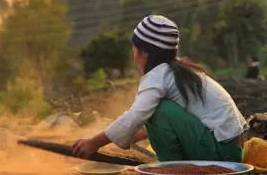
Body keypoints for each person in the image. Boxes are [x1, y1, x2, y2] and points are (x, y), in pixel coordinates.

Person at [72, 15, 248, 162]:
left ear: (144, 52)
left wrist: (93, 143)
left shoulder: (158, 76)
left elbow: (137, 115)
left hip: (221, 154)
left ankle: (171, 170)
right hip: (230, 151)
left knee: (159, 110)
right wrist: (127, 135)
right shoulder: (177, 71)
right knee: (157, 110)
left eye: (134, 48)